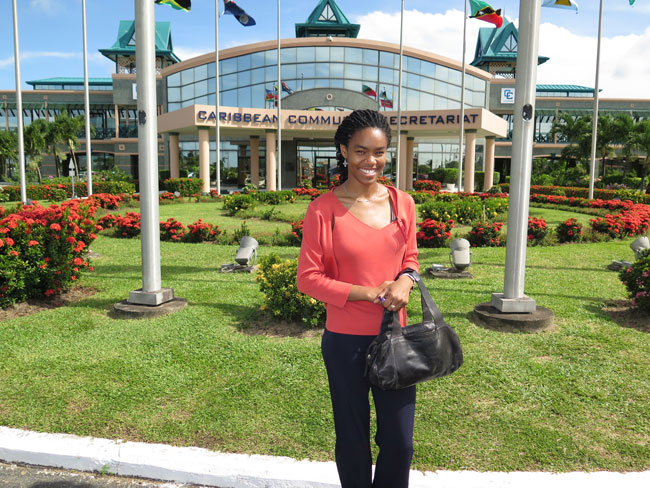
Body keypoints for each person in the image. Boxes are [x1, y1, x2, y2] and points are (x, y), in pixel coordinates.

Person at [297, 109, 419, 488]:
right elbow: (308, 279)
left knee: (399, 442)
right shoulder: (323, 209)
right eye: (362, 151)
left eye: (379, 152)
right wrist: (367, 292)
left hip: (394, 340)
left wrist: (406, 281)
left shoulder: (403, 204)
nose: (371, 161)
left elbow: (411, 259)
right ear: (344, 151)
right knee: (352, 440)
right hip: (345, 342)